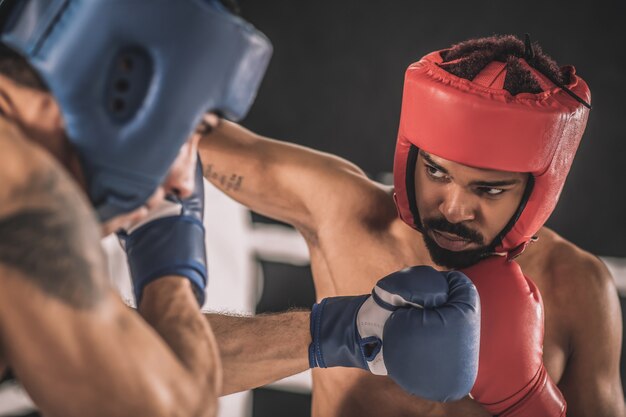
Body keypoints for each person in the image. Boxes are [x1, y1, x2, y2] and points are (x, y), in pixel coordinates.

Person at [200, 35, 625, 417]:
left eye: (489, 190)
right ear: (410, 157)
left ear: (537, 192)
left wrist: (528, 403)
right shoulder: (345, 212)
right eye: (437, 173)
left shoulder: (576, 286)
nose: (454, 209)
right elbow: (187, 140)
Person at [0, 1, 273, 416]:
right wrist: (171, 275)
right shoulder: (22, 184)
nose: (183, 182)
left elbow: (117, 367)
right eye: (191, 132)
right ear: (124, 89)